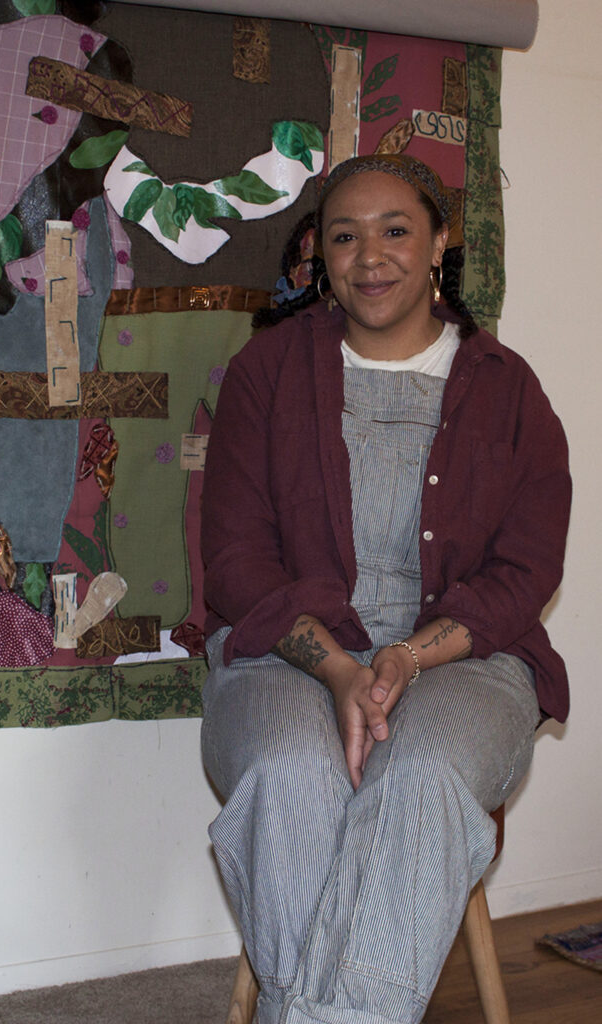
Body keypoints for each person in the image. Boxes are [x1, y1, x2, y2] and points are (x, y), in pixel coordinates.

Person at [200, 154, 571, 1024]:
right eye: (345, 235)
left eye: (396, 230)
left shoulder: (510, 390)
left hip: (462, 656)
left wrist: (405, 656)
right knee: (292, 772)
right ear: (320, 257)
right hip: (287, 650)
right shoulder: (264, 374)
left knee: (422, 775)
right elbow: (234, 561)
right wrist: (338, 669)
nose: (371, 256)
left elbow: (525, 572)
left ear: (439, 242)